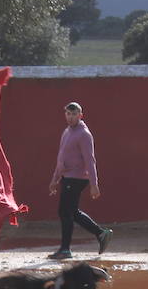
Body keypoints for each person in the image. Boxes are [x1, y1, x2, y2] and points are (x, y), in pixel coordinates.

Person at [47, 101, 113, 259]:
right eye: (68, 114)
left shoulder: (84, 134)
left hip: (77, 177)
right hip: (67, 177)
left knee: (65, 211)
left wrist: (94, 184)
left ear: (80, 115)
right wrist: (55, 179)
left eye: (74, 114)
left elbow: (90, 160)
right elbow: (61, 158)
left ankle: (65, 249)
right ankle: (101, 233)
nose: (70, 117)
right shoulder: (67, 131)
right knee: (71, 212)